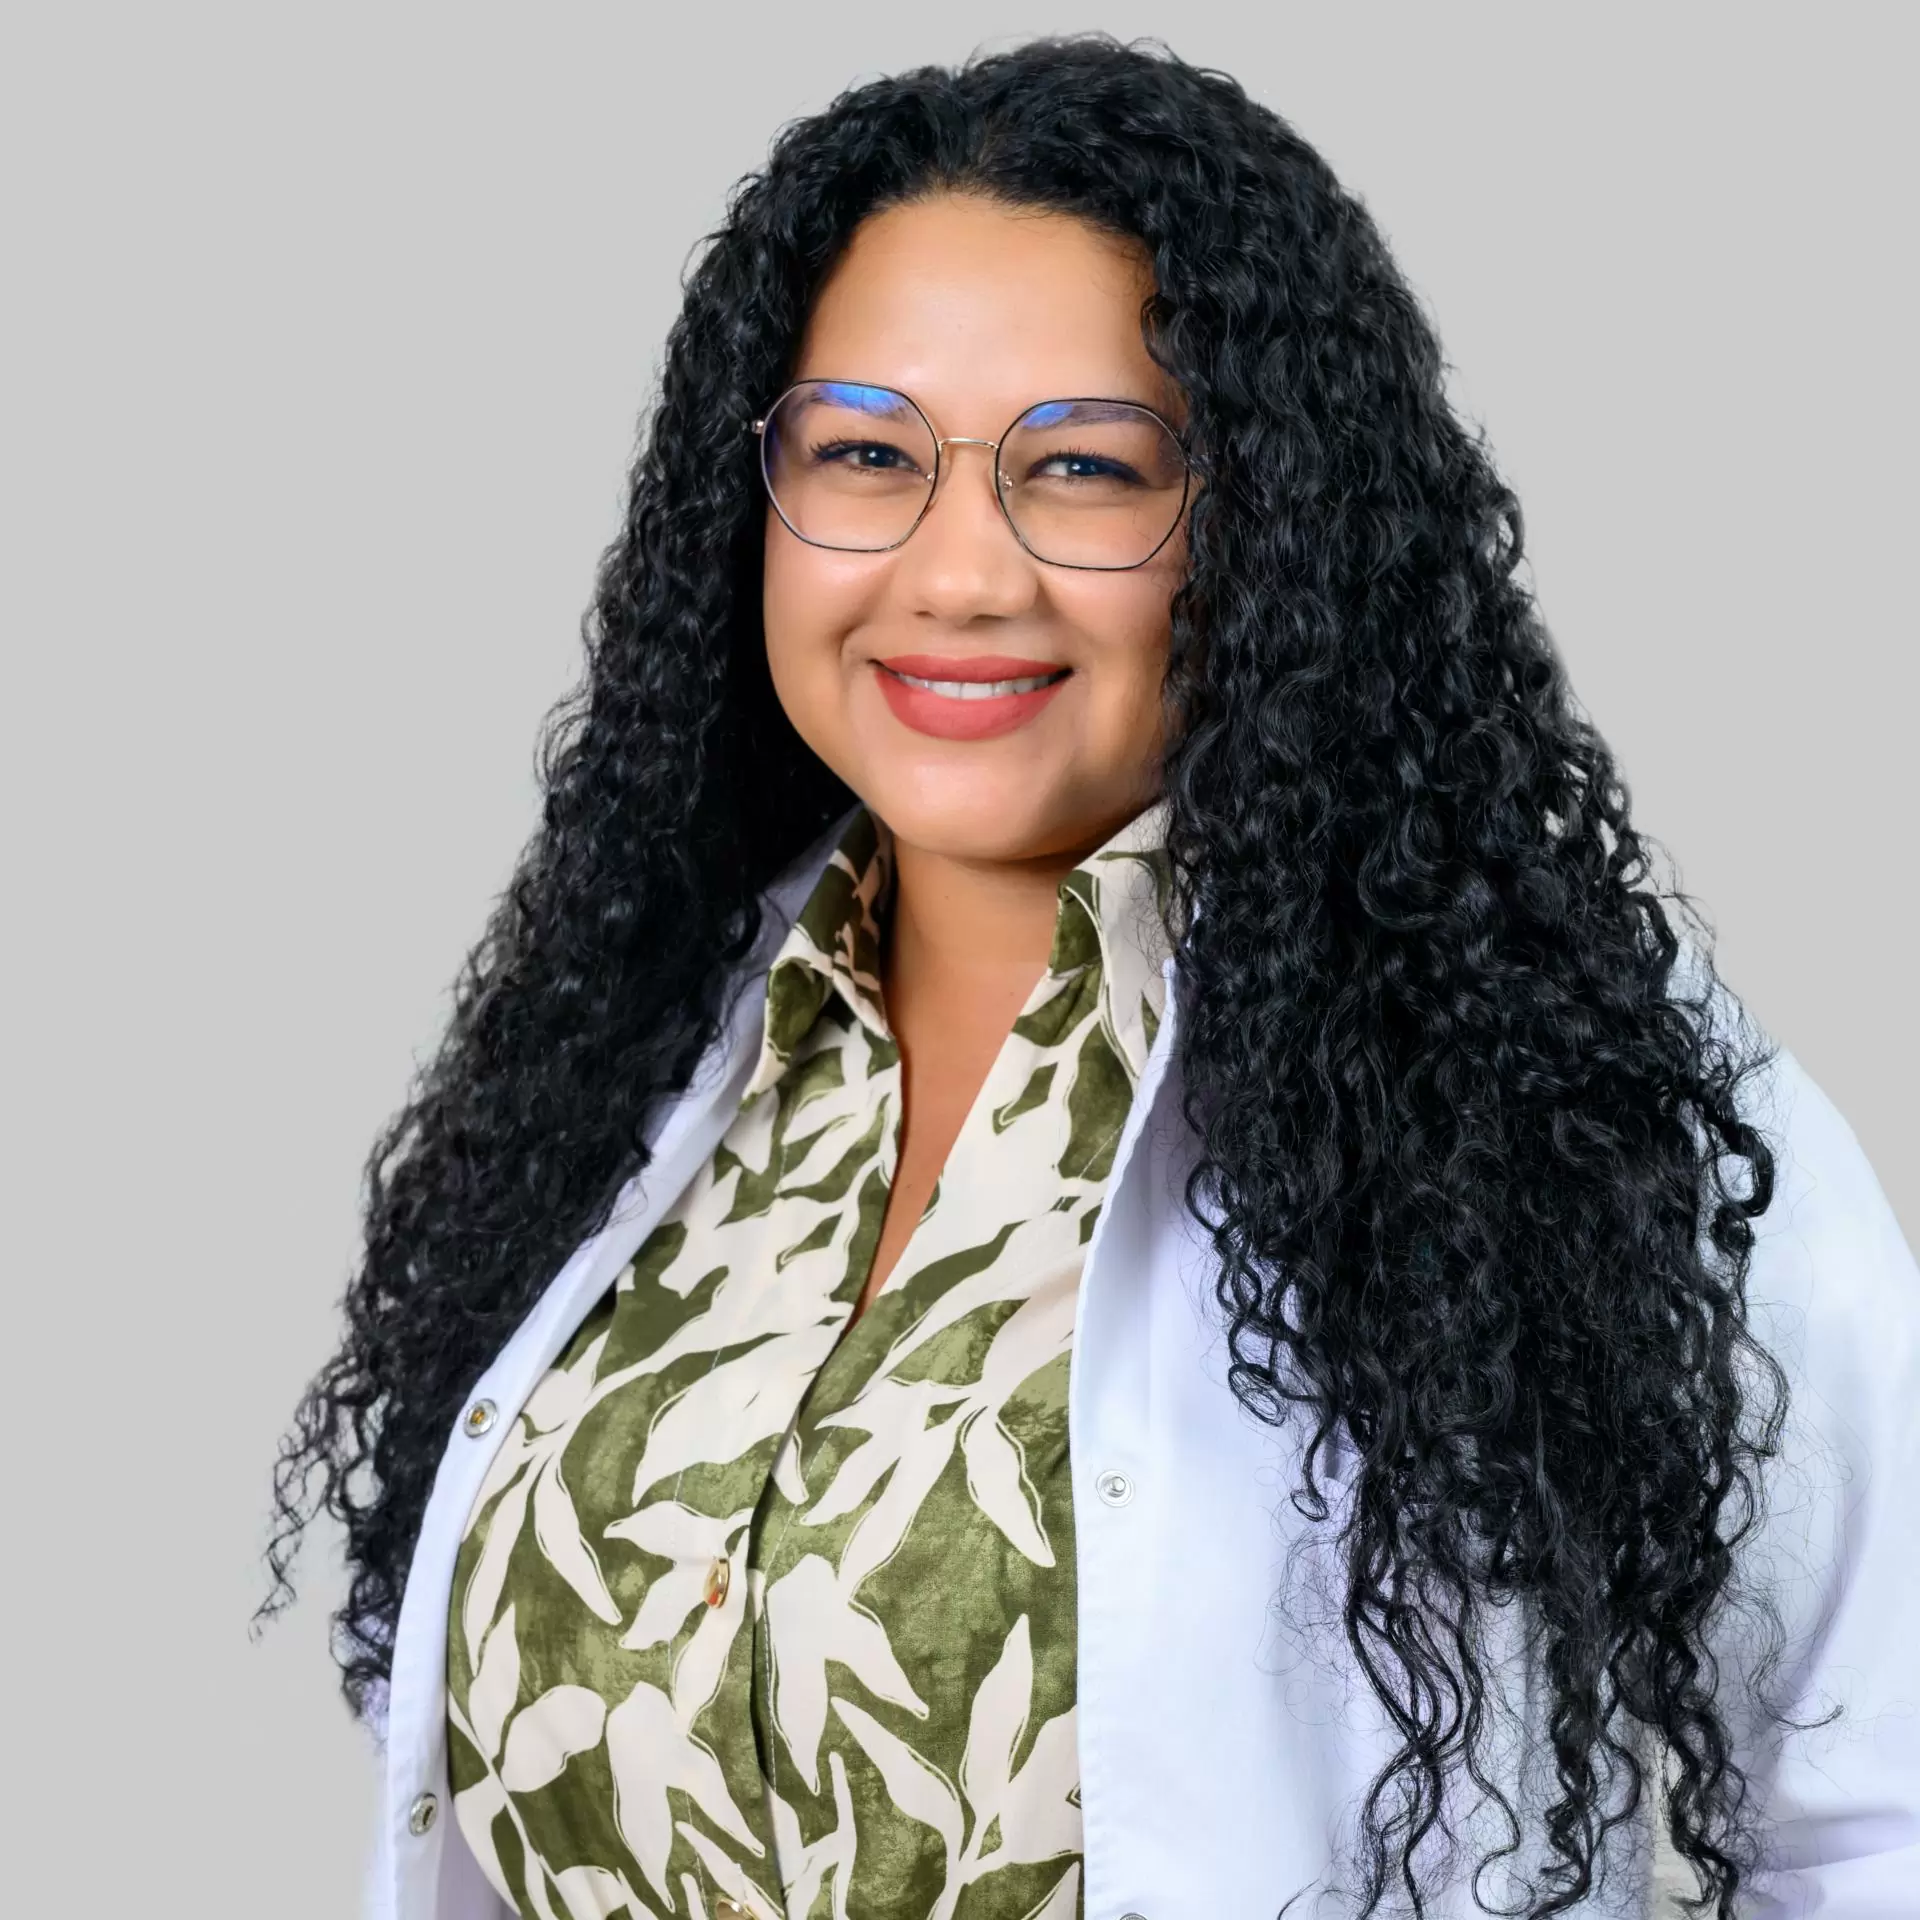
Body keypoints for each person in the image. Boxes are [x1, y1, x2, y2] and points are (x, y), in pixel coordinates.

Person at [260, 34, 1920, 1920]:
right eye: (867, 455)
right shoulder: (626, 1054)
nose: (961, 573)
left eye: (1085, 469)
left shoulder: (1571, 1090)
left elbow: (1876, 1817)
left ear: (1267, 523)